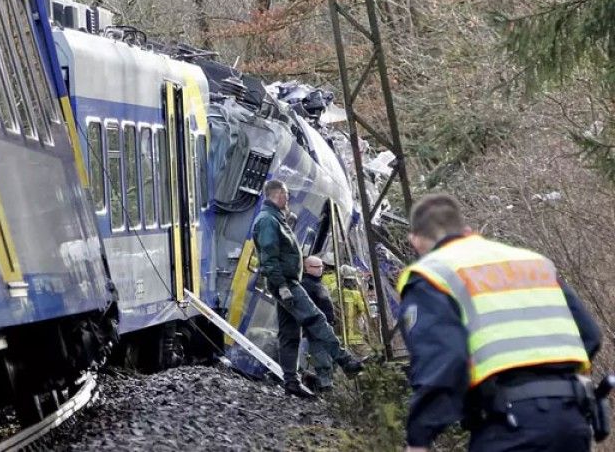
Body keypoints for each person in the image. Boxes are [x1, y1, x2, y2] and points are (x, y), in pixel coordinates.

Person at [398, 194, 601, 452]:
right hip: (572, 421)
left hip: (508, 426)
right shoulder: (531, 262)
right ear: (467, 231)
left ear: (414, 240)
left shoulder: (432, 274)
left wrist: (420, 437)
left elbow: (445, 360)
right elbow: (590, 335)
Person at [253, 180, 365, 397]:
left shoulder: (274, 219)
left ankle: (291, 383)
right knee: (315, 319)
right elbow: (269, 257)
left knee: (289, 333)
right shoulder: (268, 221)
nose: (289, 198)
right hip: (286, 284)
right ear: (277, 194)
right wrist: (282, 286)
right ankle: (345, 361)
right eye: (286, 194)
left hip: (285, 283)